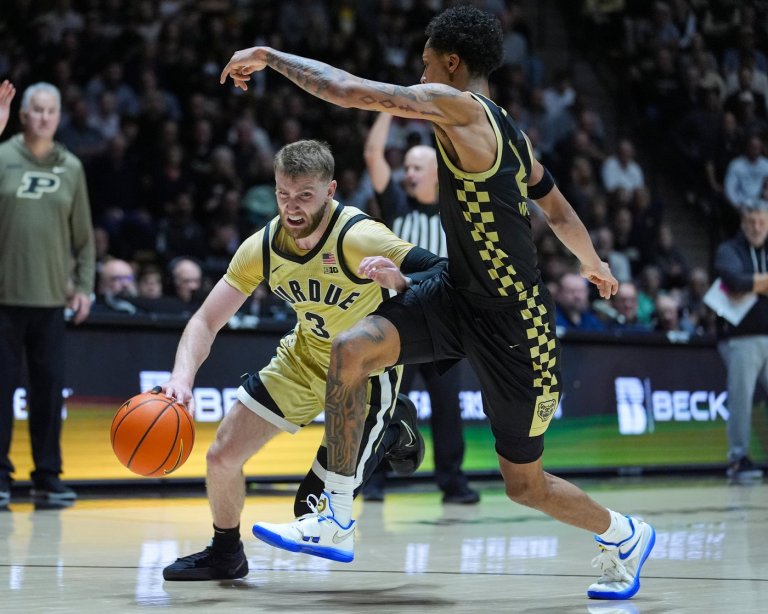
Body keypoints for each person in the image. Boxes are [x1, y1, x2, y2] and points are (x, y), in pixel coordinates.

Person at [220, 6, 656, 601]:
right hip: (457, 293)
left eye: (425, 62)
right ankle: (338, 511)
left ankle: (625, 535)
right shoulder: (511, 130)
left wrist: (269, 57)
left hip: (513, 321)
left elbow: (348, 90)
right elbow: (555, 208)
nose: (419, 71)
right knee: (350, 350)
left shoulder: (461, 106)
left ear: (451, 63)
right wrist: (592, 260)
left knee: (523, 484)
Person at [161, 139, 444, 580]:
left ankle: (392, 429)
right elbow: (205, 321)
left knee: (308, 507)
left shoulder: (358, 235)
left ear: (330, 191)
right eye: (283, 194)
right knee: (221, 457)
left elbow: (444, 271)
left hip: (362, 374)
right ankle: (225, 553)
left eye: (305, 196)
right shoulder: (264, 246)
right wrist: (182, 378)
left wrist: (404, 279)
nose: (291, 208)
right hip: (303, 358)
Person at [361, 111, 478, 504]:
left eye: (415, 167)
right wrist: (389, 106)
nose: (407, 173)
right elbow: (373, 153)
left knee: (448, 409)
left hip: (444, 325)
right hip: (399, 321)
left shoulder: (455, 211)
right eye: (406, 166)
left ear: (435, 173)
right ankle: (375, 480)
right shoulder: (396, 205)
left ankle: (452, 482)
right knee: (386, 405)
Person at [0, 80, 95, 504]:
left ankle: (47, 476)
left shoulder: (71, 167)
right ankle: (1, 477)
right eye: (34, 109)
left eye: (49, 111)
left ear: (58, 117)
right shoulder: (2, 157)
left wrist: (86, 287)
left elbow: (83, 237)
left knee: (48, 393)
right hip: (4, 298)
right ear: (22, 115)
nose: (42, 116)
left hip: (52, 300)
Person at [713, 205, 768, 481]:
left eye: (762, 221)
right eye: (752, 221)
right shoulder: (729, 249)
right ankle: (738, 458)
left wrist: (753, 283)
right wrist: (751, 284)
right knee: (741, 399)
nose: (757, 227)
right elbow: (734, 281)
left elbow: (744, 285)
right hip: (741, 338)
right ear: (743, 223)